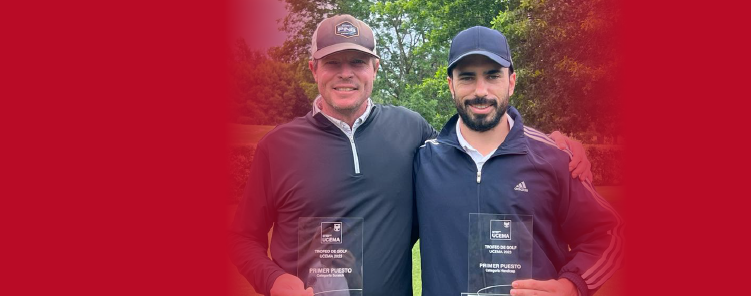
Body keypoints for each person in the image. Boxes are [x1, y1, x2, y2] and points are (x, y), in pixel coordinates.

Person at [230, 15, 592, 296]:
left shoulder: (411, 130)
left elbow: (472, 148)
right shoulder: (276, 147)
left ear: (374, 68)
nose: (345, 73)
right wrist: (274, 281)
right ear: (314, 69)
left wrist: (557, 144)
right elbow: (242, 238)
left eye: (357, 62)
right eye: (332, 63)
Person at [414, 26, 623, 296]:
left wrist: (571, 286)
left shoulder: (555, 158)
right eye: (467, 77)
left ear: (511, 82)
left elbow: (608, 235)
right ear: (450, 85)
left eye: (492, 76)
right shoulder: (424, 162)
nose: (481, 90)